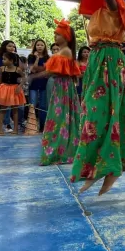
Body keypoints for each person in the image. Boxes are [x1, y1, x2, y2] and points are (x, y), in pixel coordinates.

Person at [70, 0, 125, 196]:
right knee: (94, 116)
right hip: (98, 62)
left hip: (110, 61)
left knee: (103, 116)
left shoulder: (116, 9)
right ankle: (104, 168)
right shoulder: (98, 12)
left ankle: (109, 168)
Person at [38, 19, 81, 165]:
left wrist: (33, 76)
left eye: (58, 34)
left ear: (66, 36)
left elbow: (53, 71)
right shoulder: (63, 51)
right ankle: (59, 151)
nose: (55, 36)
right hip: (60, 86)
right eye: (55, 34)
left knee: (61, 118)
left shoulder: (66, 51)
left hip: (63, 86)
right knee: (60, 117)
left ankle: (61, 152)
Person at [0, 51, 26, 135]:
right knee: (2, 110)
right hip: (4, 89)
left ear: (11, 60)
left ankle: (15, 129)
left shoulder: (18, 69)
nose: (2, 60)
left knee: (15, 110)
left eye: (4, 59)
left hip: (14, 89)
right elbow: (0, 79)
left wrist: (20, 86)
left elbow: (24, 78)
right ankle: (0, 129)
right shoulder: (2, 68)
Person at [28, 39, 50, 132]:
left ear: (44, 46)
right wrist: (37, 59)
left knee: (43, 106)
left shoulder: (48, 57)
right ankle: (31, 126)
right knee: (32, 104)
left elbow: (48, 71)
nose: (40, 47)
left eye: (42, 45)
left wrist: (40, 70)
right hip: (33, 83)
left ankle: (42, 126)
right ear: (35, 46)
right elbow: (32, 70)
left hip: (44, 83)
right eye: (38, 45)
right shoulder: (31, 56)